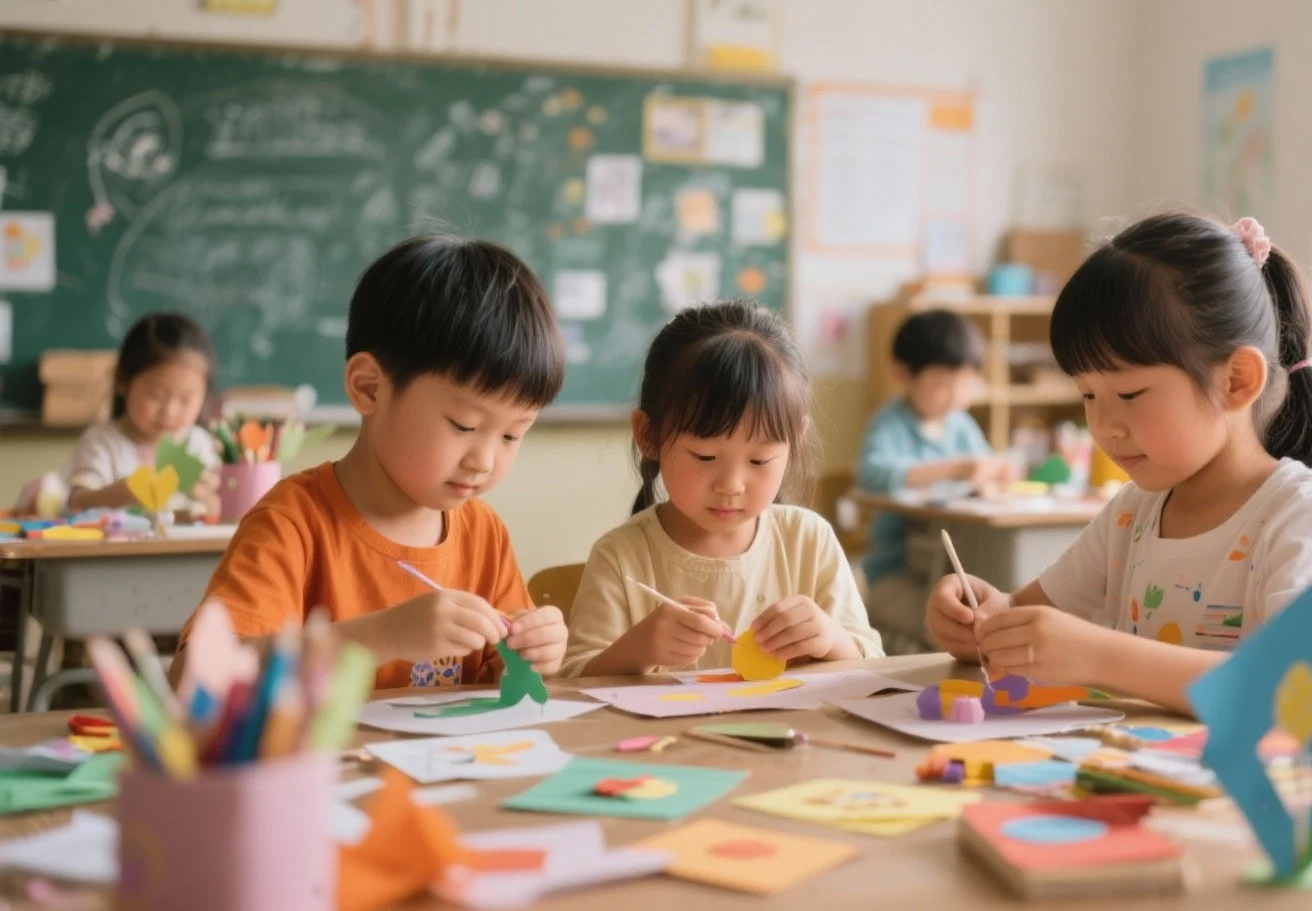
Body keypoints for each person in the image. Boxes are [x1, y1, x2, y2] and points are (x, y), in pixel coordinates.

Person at [926, 214, 1312, 713]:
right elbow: (1019, 619)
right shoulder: (1135, 513)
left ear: (1237, 381)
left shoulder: (1306, 517)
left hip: (1245, 791)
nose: (1105, 425)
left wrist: (1098, 657)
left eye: (1130, 393)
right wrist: (979, 619)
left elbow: (1295, 692)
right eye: (1088, 395)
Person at [173, 235, 569, 690]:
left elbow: (498, 680)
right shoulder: (292, 523)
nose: (485, 460)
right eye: (463, 425)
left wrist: (529, 655)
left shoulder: (484, 534)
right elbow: (194, 676)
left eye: (513, 435)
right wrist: (379, 637)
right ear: (368, 388)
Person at [563, 302, 883, 677]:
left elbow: (873, 667)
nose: (731, 485)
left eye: (759, 461)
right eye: (704, 456)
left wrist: (830, 640)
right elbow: (572, 685)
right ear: (649, 436)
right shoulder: (621, 557)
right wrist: (638, 650)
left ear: (793, 441)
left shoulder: (808, 542)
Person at [857, 309, 1014, 652]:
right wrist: (954, 469)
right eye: (942, 384)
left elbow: (983, 469)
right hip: (897, 573)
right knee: (957, 632)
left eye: (962, 384)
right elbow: (872, 475)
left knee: (991, 618)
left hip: (958, 571)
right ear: (903, 373)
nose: (954, 396)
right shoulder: (891, 424)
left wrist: (993, 477)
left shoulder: (960, 425)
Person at [64, 312, 220, 520]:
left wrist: (211, 498)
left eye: (185, 400)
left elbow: (217, 510)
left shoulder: (199, 444)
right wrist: (116, 495)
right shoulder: (101, 442)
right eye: (156, 396)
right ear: (123, 383)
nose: (169, 412)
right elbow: (75, 503)